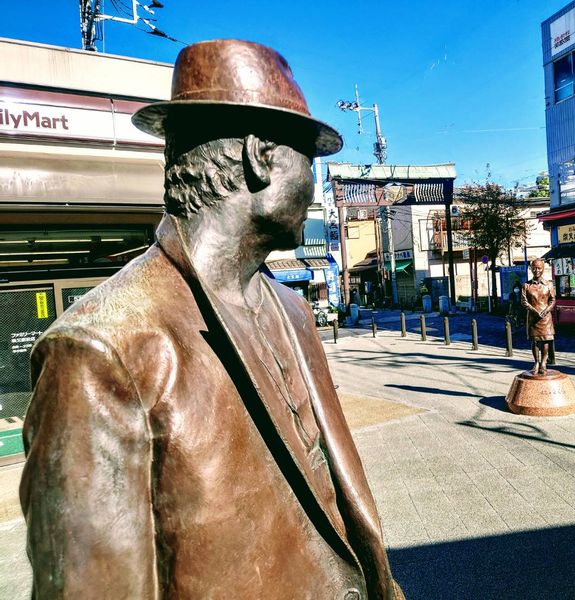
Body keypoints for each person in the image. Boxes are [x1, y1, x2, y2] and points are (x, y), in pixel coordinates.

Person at [20, 40, 403, 599]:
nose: (315, 183)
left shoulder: (291, 308)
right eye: (309, 159)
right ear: (259, 156)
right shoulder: (103, 349)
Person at [521, 258, 556, 375]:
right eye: (534, 268)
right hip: (533, 317)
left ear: (543, 269)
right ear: (531, 269)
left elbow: (553, 300)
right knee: (535, 341)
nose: (536, 270)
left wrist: (546, 310)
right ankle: (536, 362)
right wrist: (534, 310)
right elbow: (524, 301)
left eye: (539, 268)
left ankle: (544, 362)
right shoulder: (526, 286)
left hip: (545, 318)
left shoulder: (549, 285)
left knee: (546, 340)